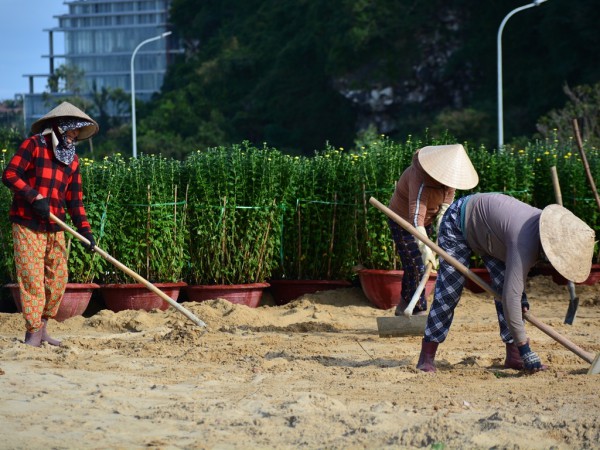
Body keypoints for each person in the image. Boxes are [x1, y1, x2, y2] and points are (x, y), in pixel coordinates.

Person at [416, 193, 595, 373]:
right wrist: (525, 347)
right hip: (458, 221)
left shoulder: (542, 232)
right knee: (450, 292)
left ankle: (514, 356)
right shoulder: (525, 241)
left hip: (493, 235)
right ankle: (426, 357)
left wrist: (519, 301)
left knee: (510, 293)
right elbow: (511, 297)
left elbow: (513, 290)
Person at [2, 102, 98, 347]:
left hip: (55, 226)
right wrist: (34, 197)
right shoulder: (34, 145)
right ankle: (32, 332)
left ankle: (43, 327)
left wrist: (85, 230)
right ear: (59, 126)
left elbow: (75, 201)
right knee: (32, 279)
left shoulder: (73, 161)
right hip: (27, 222)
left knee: (57, 279)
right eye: (73, 130)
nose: (75, 135)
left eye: (78, 131)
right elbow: (10, 175)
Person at [388, 144, 478, 316]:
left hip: (425, 223)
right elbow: (415, 218)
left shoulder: (450, 181)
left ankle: (403, 308)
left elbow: (445, 209)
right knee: (418, 264)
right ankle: (420, 310)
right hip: (402, 221)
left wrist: (441, 230)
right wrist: (425, 249)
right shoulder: (420, 179)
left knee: (413, 265)